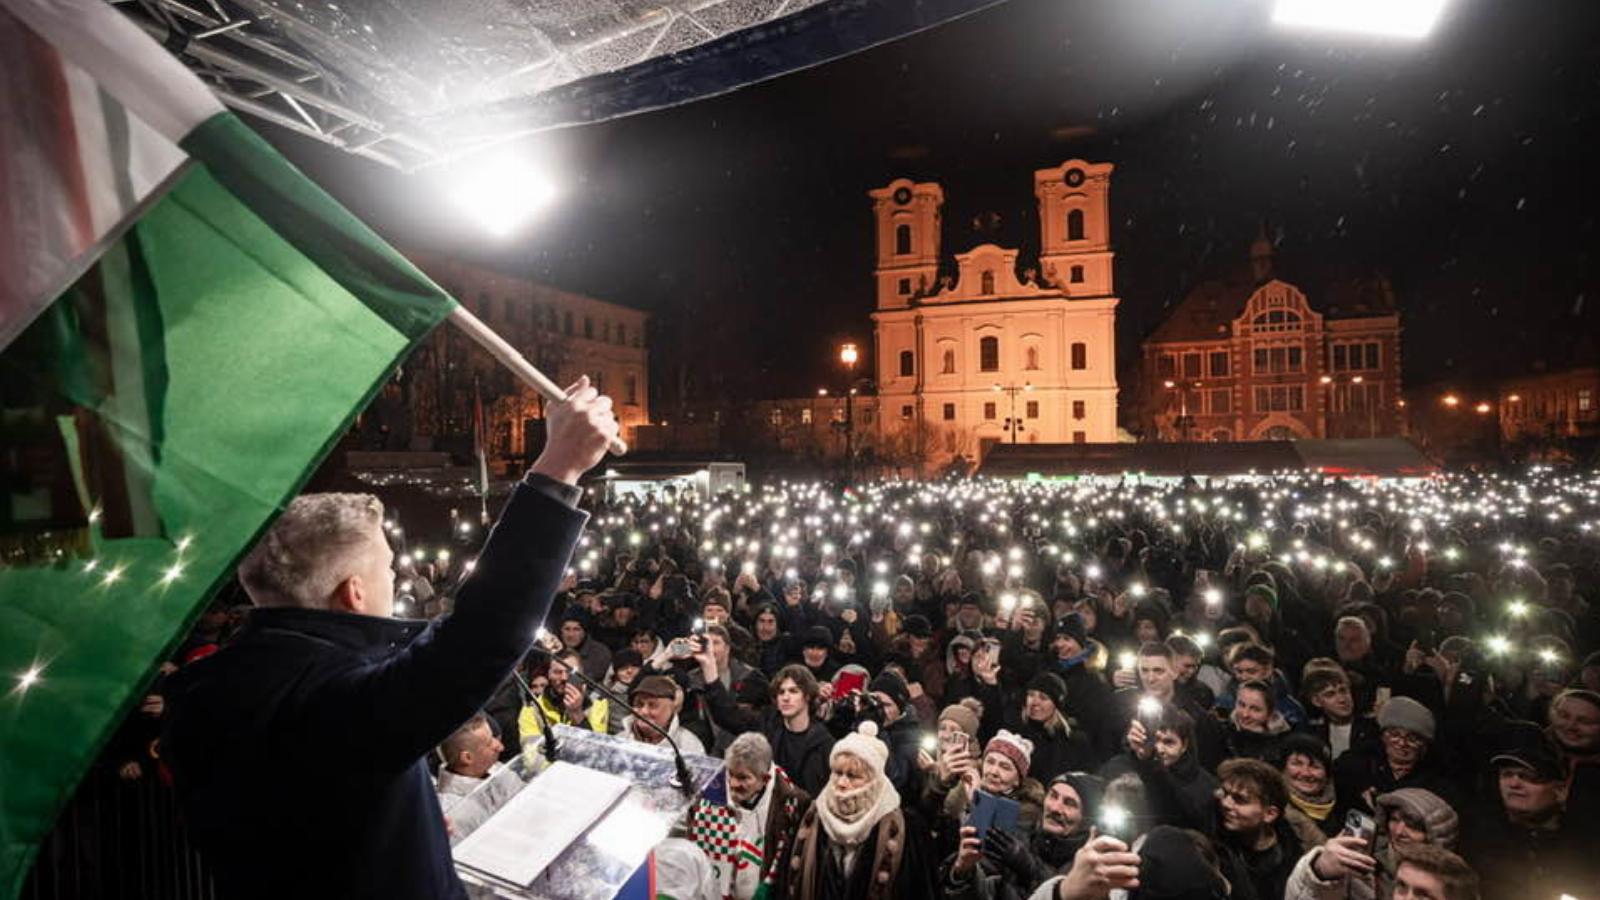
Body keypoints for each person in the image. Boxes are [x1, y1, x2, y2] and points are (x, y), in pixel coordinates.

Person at [160, 376, 614, 900]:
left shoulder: (203, 691)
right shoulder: (330, 701)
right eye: (389, 569)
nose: (397, 580)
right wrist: (559, 470)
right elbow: (481, 636)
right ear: (353, 592)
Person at [785, 723, 930, 899]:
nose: (842, 783)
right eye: (838, 773)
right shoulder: (813, 816)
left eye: (852, 776)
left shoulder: (905, 828)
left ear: (874, 779)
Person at [688, 732, 812, 900]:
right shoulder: (710, 788)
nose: (733, 783)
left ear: (765, 779)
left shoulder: (792, 804)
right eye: (731, 774)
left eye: (743, 778)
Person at [700, 652, 836, 796]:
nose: (786, 697)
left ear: (807, 696)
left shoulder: (824, 743)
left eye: (793, 691)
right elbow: (727, 714)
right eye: (781, 692)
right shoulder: (767, 723)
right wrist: (708, 666)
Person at [1333, 697, 1456, 820]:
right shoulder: (1364, 763)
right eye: (1395, 735)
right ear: (1383, 737)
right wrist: (1362, 786)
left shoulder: (1437, 782)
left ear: (1424, 745)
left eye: (1412, 739)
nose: (1402, 743)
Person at [1215, 757, 1304, 900]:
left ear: (1269, 814)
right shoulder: (1215, 842)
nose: (1226, 803)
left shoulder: (1294, 859)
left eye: (1240, 799)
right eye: (1225, 793)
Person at [520, 648, 612, 743]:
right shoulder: (532, 709)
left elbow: (596, 747)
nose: (564, 678)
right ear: (548, 675)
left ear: (581, 674)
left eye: (570, 672)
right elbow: (531, 749)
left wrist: (577, 714)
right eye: (557, 672)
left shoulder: (597, 703)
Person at [1279, 733, 1339, 846]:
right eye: (1296, 764)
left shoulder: (1342, 805)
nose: (1306, 773)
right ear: (1283, 768)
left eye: (1315, 766)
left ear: (1327, 774)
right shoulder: (1276, 809)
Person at [625, 674, 707, 755]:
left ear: (670, 709)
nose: (644, 711)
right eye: (639, 704)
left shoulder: (689, 745)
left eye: (653, 705)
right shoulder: (621, 740)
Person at [558, 606, 613, 683]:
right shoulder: (555, 648)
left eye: (576, 629)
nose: (571, 635)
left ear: (585, 632)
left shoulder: (600, 653)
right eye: (567, 629)